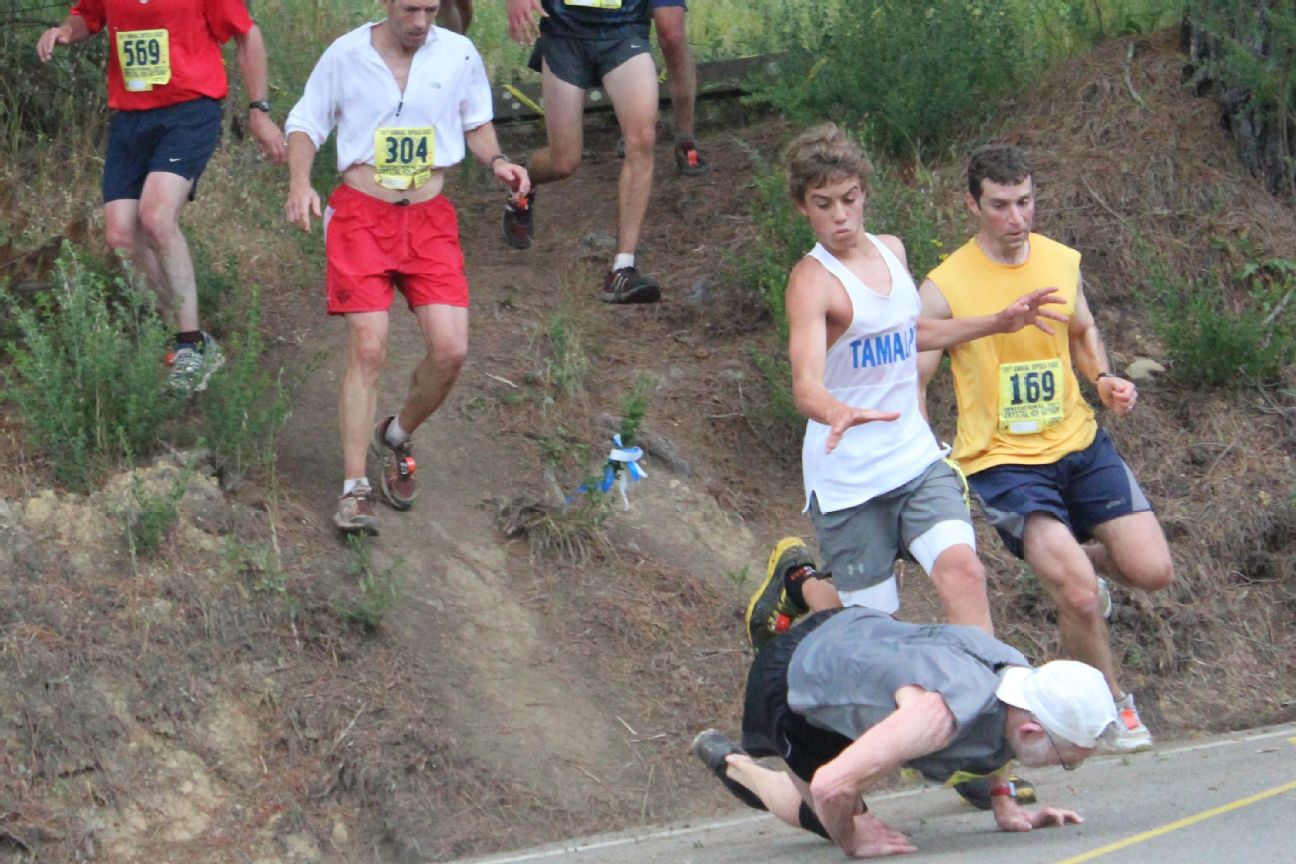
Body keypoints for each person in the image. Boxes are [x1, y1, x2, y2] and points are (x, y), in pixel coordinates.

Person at [745, 124, 1067, 646]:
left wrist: (997, 322)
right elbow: (805, 386)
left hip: (914, 459)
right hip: (849, 477)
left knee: (965, 572)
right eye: (823, 204)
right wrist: (837, 411)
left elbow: (912, 332)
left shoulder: (891, 250)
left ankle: (986, 704)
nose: (840, 216)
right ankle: (800, 582)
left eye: (849, 199)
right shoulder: (811, 281)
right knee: (875, 628)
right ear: (804, 207)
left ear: (865, 193)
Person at [917, 143, 1174, 753]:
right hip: (1003, 461)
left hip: (1079, 444)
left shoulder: (1060, 261)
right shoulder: (946, 284)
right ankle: (1110, 708)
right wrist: (925, 441)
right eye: (1001, 205)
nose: (1016, 218)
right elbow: (915, 367)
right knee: (1079, 594)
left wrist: (1103, 379)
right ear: (972, 205)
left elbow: (1081, 329)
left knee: (1152, 571)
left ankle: (1082, 564)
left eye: (1025, 201)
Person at [283, 0, 529, 535]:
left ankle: (394, 434)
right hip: (360, 217)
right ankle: (354, 490)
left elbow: (477, 123)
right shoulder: (346, 54)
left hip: (429, 220)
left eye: (431, 9)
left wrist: (499, 161)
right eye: (410, 8)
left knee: (451, 350)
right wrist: (300, 182)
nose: (420, 21)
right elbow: (304, 122)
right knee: (369, 347)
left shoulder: (458, 54)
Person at [691, 601, 1120, 859]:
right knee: (830, 815)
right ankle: (737, 766)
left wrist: (1004, 803)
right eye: (1065, 763)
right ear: (1031, 732)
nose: (1061, 767)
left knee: (855, 786)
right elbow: (829, 786)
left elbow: (1003, 732)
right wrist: (851, 841)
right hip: (795, 681)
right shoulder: (934, 717)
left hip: (854, 635)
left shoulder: (1020, 677)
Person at [36, 0, 286, 392]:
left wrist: (259, 109)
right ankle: (180, 327)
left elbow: (247, 33)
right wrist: (66, 31)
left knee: (155, 215)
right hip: (131, 117)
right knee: (120, 235)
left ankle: (190, 343)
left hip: (189, 111)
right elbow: (88, 16)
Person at [504, 0, 662, 304]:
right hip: (565, 30)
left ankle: (622, 269)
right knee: (564, 162)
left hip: (624, 28)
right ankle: (524, 179)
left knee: (642, 138)